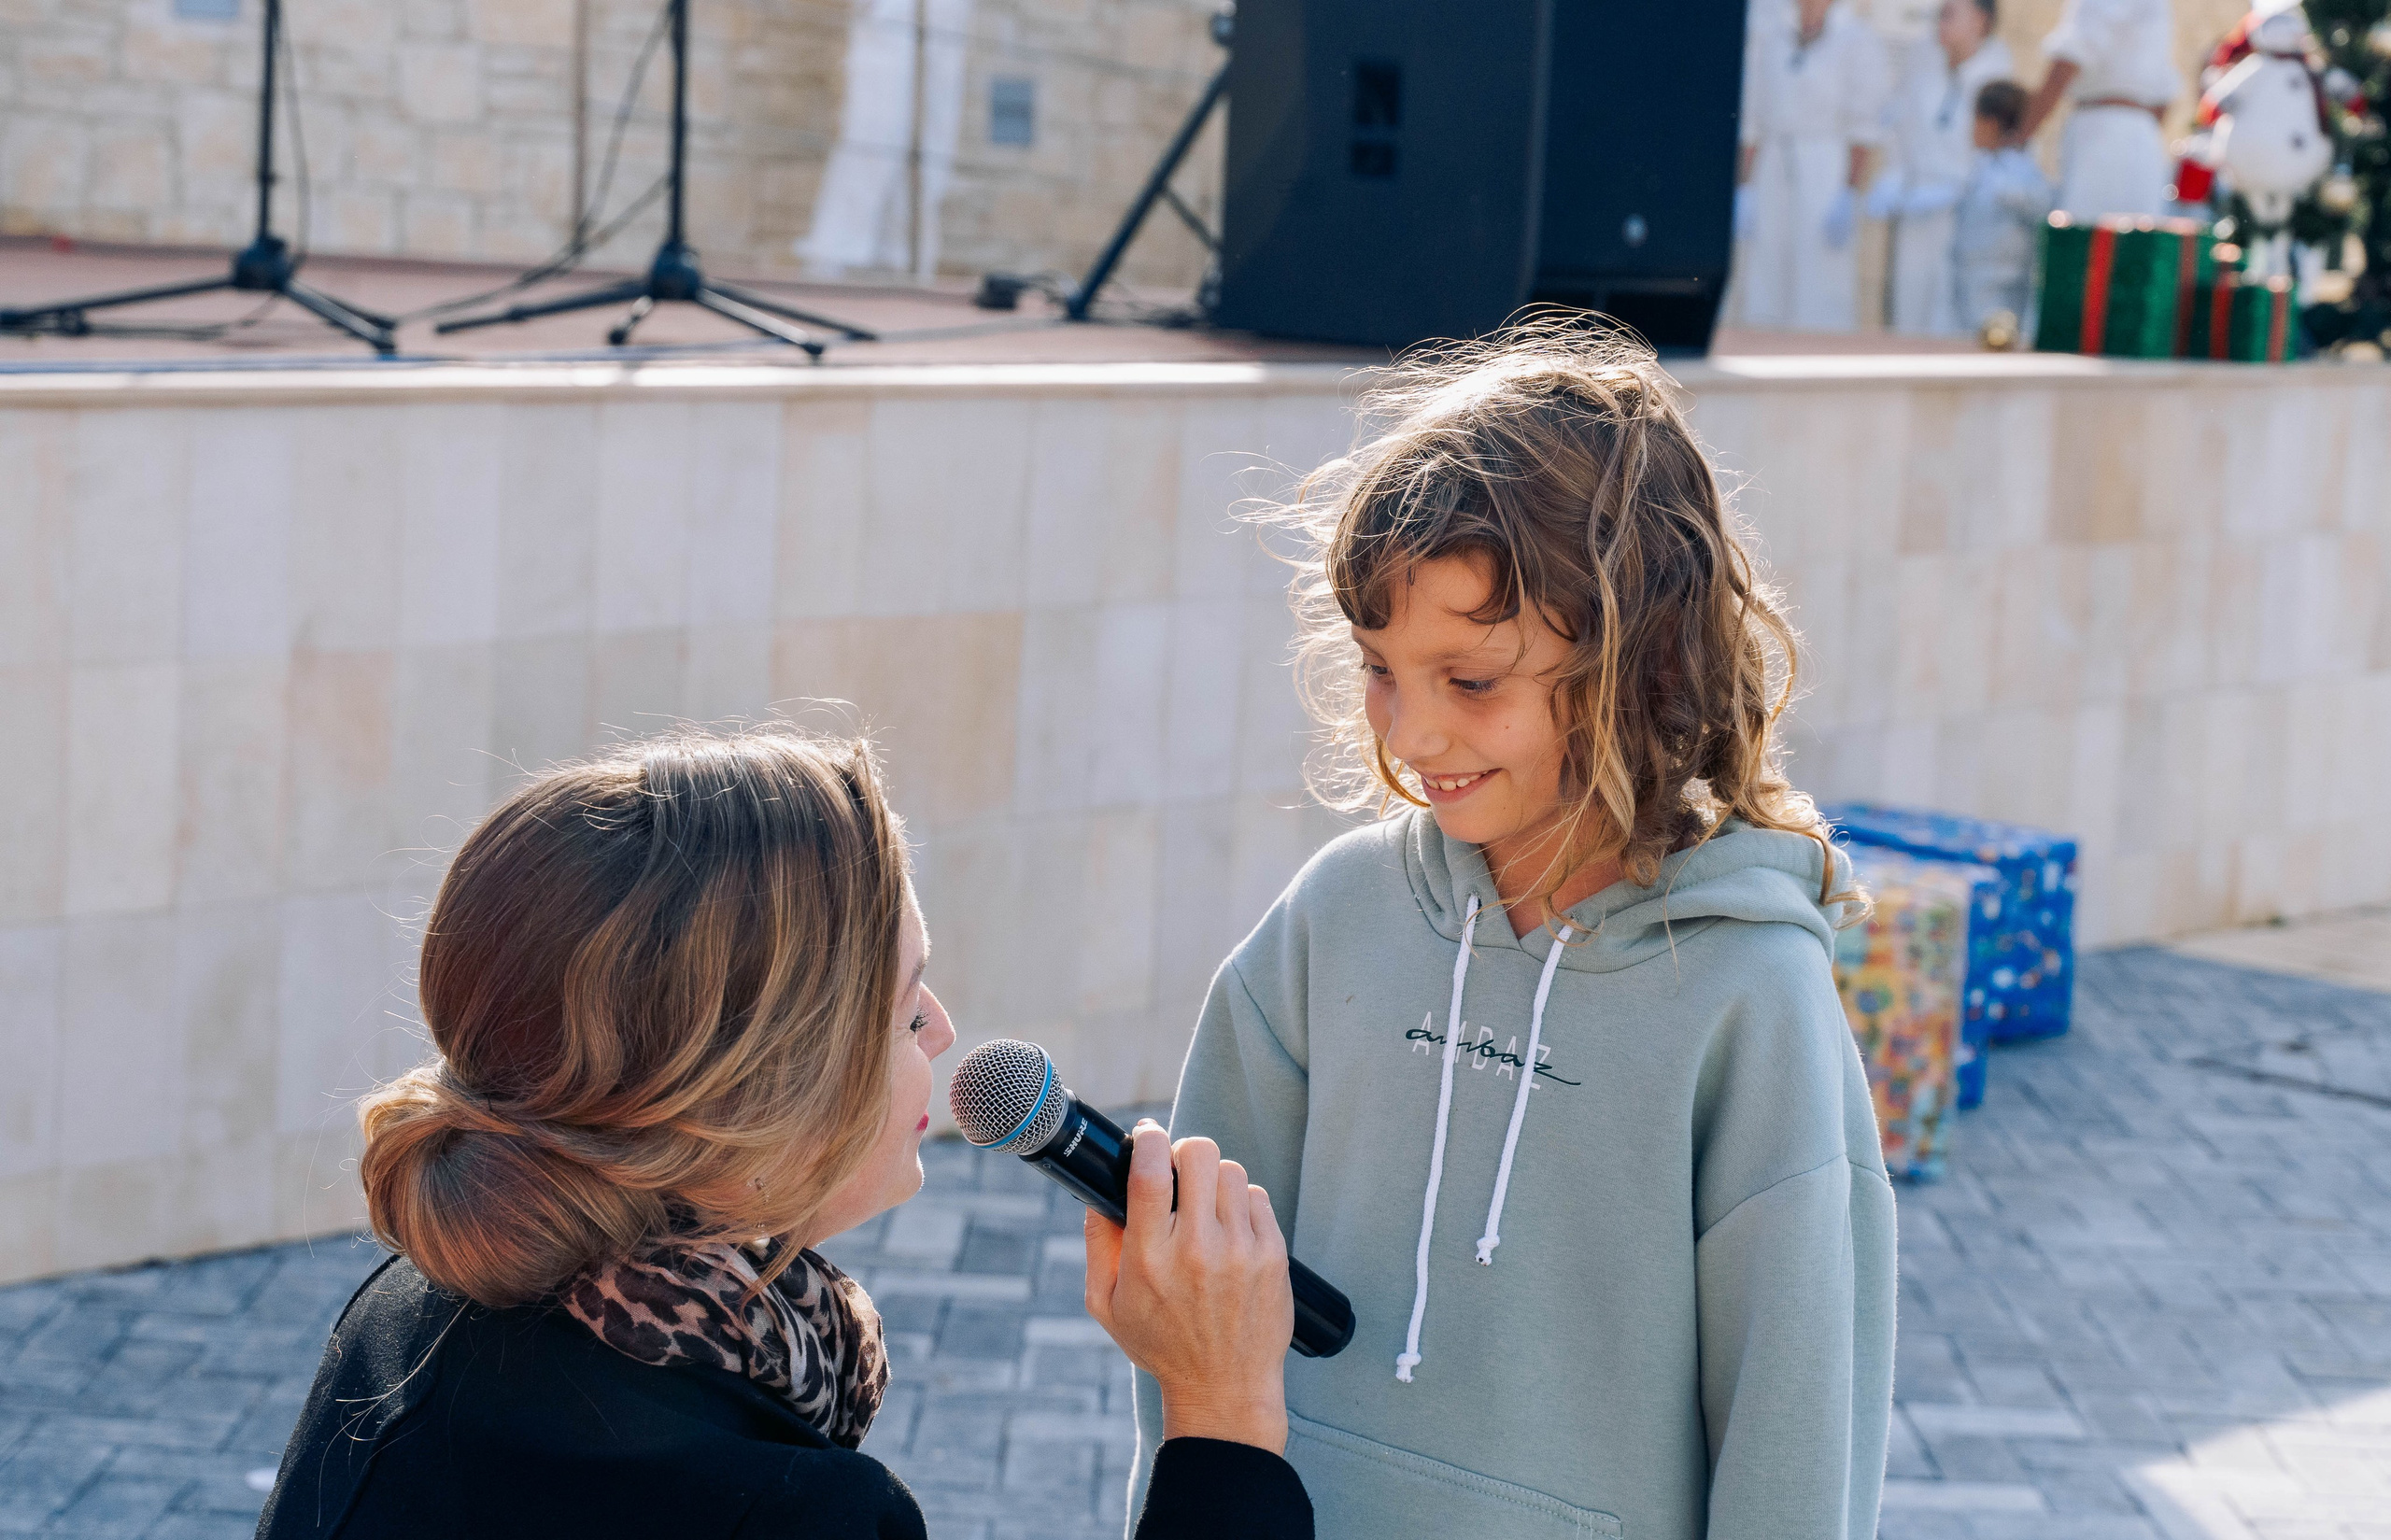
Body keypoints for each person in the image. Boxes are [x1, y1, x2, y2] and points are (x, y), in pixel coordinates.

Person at [1126, 326, 1898, 1540]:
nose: (1413, 733)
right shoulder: (1330, 927)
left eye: (1470, 680)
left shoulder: (1752, 994)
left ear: (1637, 668)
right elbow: (1192, 1345)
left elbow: (1796, 1427)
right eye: (1381, 667)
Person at [256, 728, 1313, 1540]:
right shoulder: (781, 1511)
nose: (942, 1030)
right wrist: (1220, 1411)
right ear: (758, 1091)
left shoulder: (408, 1314)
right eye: (903, 1008)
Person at [1735, 0, 1891, 331]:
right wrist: (1744, 187)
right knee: (1765, 270)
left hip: (1825, 163)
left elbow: (1863, 125)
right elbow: (1752, 117)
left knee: (1820, 275)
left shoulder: (1856, 38)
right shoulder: (1772, 32)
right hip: (1773, 163)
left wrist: (1848, 192)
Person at [1874, 0, 2016, 334]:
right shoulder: (1922, 63)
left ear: (1980, 20)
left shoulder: (1998, 78)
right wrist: (1894, 180)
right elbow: (1899, 126)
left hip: (1966, 215)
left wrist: (1960, 189)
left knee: (1950, 313)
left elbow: (2001, 154)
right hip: (1917, 205)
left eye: (1952, 12)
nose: (1942, 20)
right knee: (1908, 309)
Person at [2019, 0, 2182, 219]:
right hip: (2143, 137)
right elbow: (2165, 98)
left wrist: (2020, 135)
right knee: (2135, 246)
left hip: (2102, 137)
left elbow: (2069, 60)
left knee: (2084, 241)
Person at [1954, 79, 2057, 332]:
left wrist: (2009, 192)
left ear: (1991, 124)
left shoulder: (2021, 168)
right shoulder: (1982, 167)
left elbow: (2041, 205)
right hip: (1970, 281)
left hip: (2005, 286)